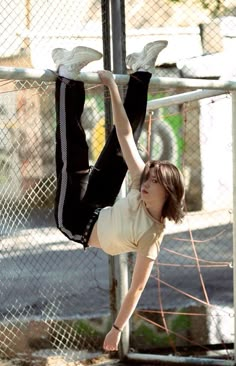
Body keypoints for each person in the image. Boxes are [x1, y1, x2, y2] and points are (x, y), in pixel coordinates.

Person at [52, 40, 185, 352]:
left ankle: (67, 73)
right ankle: (141, 70)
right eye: (148, 178)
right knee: (122, 146)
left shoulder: (152, 235)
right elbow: (124, 134)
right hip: (101, 207)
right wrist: (112, 86)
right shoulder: (141, 186)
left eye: (153, 182)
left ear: (168, 192)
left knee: (74, 154)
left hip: (76, 223)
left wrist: (116, 329)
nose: (145, 183)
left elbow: (137, 287)